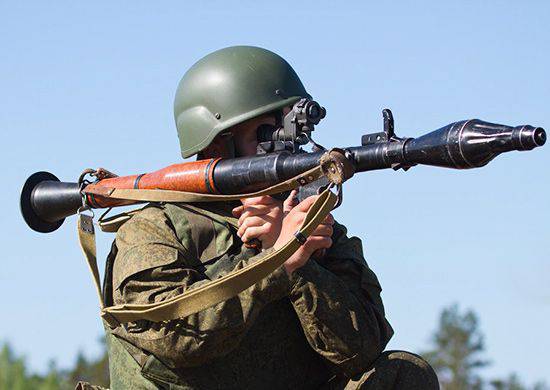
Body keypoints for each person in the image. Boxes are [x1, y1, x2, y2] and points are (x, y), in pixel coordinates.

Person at [100, 46, 439, 389]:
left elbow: (361, 351)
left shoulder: (313, 226)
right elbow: (176, 338)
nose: (288, 147)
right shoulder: (154, 229)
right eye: (267, 134)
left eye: (292, 130)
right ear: (218, 146)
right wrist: (276, 263)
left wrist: (300, 263)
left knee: (402, 374)